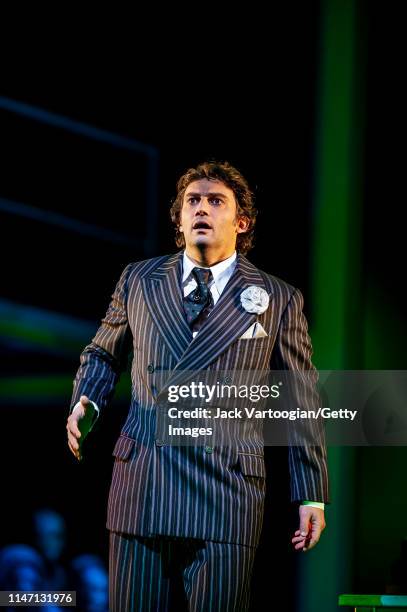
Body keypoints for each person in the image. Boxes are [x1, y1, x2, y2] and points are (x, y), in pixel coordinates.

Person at [66, 160, 329, 611]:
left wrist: (311, 494)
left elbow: (301, 397)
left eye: (214, 201)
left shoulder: (278, 297)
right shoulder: (139, 280)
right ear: (180, 218)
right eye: (192, 201)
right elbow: (103, 353)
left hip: (227, 491)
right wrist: (85, 399)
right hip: (143, 482)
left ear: (241, 221)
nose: (201, 209)